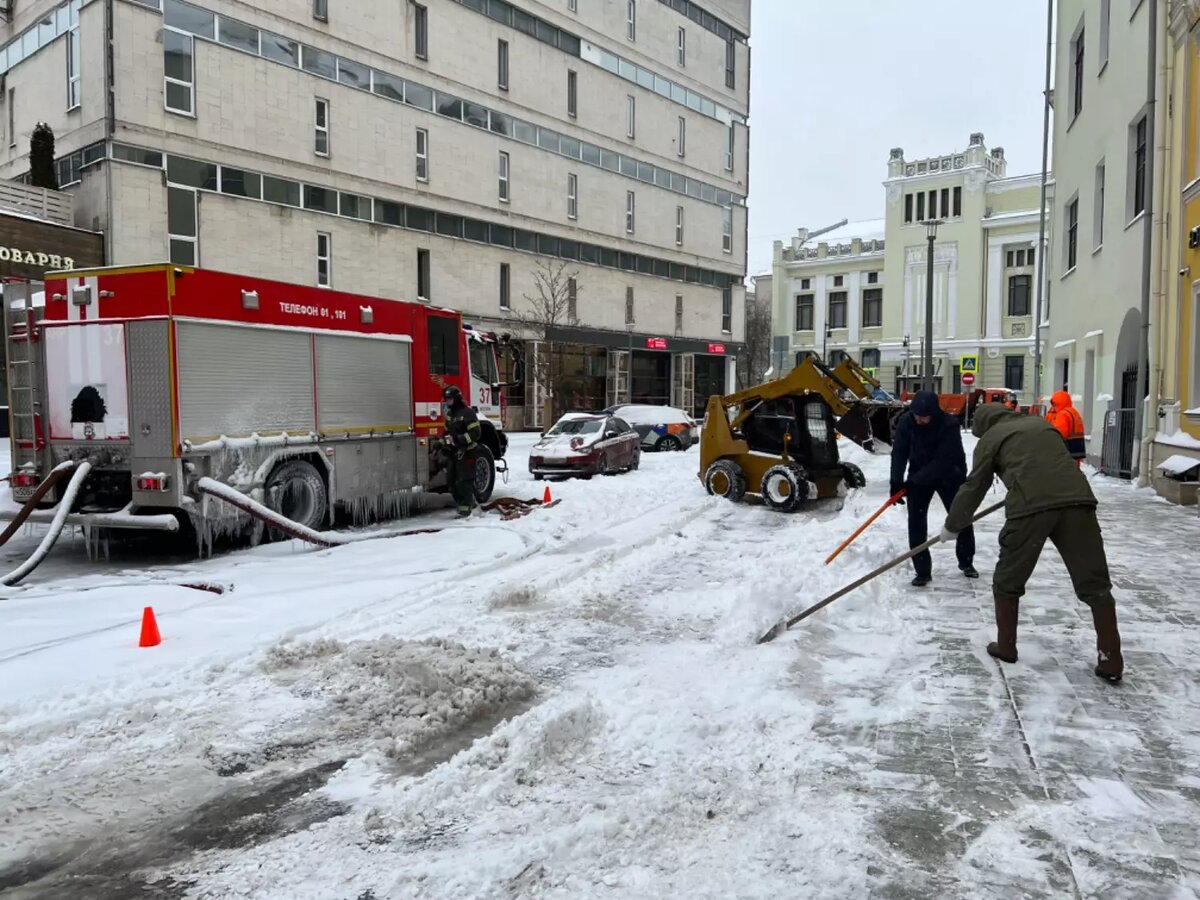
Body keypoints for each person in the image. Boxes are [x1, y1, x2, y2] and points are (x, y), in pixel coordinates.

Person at [940, 403, 1123, 684]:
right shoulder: (1042, 425)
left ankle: (1006, 646)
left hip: (1030, 508)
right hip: (1078, 500)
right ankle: (1111, 659)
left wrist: (953, 525)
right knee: (1095, 583)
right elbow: (1052, 463)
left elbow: (974, 487)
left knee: (1008, 579)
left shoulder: (991, 438)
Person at [890, 390, 977, 587]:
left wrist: (915, 480)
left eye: (924, 417)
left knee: (959, 517)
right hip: (919, 472)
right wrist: (895, 481)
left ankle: (966, 561)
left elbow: (943, 461)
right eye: (916, 416)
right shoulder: (907, 421)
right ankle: (922, 570)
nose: (919, 420)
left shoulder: (949, 425)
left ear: (934, 413)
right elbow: (899, 452)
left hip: (950, 475)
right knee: (916, 521)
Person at [442, 385, 482, 518]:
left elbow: (476, 434)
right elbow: (447, 432)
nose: (447, 402)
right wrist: (441, 442)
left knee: (464, 481)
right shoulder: (450, 415)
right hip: (454, 453)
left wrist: (458, 439)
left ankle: (465, 510)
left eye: (450, 399)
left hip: (467, 452)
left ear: (457, 399)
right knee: (451, 482)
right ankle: (465, 503)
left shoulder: (468, 413)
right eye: (446, 399)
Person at [1046, 390, 1086, 467]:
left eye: (1054, 404)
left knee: (1066, 471)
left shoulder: (1062, 414)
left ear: (1057, 403)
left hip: (1067, 447)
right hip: (1078, 446)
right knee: (1075, 470)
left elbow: (1059, 433)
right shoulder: (1074, 412)